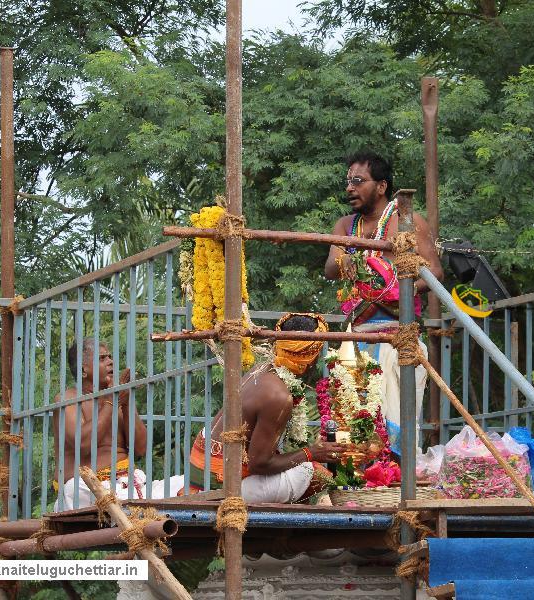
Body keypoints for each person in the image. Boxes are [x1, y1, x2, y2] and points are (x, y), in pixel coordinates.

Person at [324, 150, 444, 456]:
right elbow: (330, 267)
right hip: (355, 341)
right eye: (348, 181)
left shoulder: (407, 220)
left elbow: (435, 271)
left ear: (381, 186)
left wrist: (397, 292)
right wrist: (350, 260)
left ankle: (395, 487)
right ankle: (357, 487)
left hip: (397, 338)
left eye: (358, 181)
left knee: (395, 426)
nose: (349, 187)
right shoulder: (345, 226)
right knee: (350, 425)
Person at [186, 313, 348, 502]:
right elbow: (259, 464)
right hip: (219, 487)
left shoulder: (262, 369)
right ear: (310, 357)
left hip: (203, 472)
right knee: (314, 474)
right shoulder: (278, 396)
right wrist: (312, 453)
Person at [53, 339, 182, 511]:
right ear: (84, 370)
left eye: (110, 357)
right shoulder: (68, 399)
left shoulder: (119, 395)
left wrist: (127, 403)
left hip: (128, 483)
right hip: (88, 489)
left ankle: (133, 503)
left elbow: (141, 449)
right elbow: (82, 444)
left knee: (184, 483)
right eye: (102, 358)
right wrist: (112, 402)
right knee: (73, 489)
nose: (110, 361)